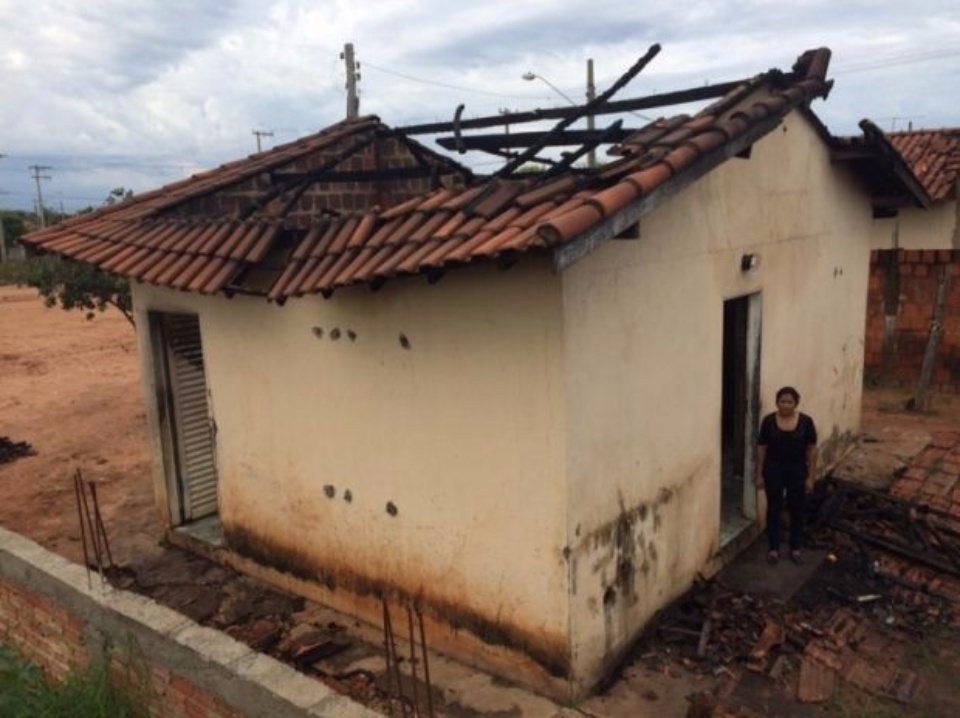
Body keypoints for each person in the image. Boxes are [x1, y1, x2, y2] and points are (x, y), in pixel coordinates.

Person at [757, 386, 817, 565]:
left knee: (796, 508)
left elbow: (812, 450)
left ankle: (795, 547)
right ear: (777, 402)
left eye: (789, 402)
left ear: (796, 403)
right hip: (773, 470)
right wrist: (759, 474)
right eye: (782, 401)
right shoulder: (768, 421)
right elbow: (761, 449)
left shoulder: (806, 422)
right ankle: (774, 548)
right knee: (773, 507)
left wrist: (811, 477)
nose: (785, 405)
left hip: (797, 470)